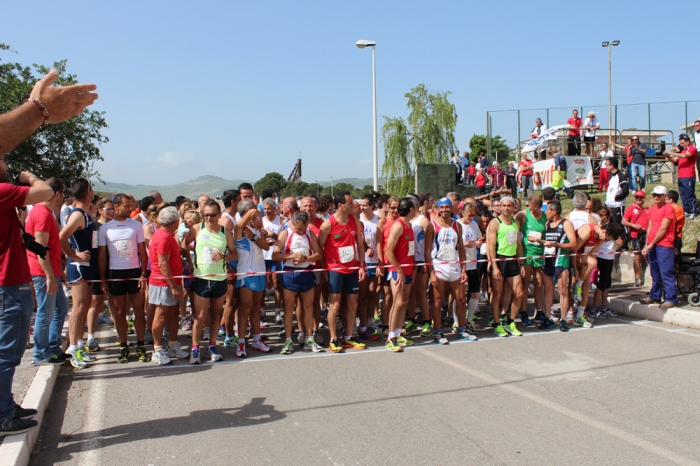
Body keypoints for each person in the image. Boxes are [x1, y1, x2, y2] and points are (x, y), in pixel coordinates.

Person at [181, 200, 237, 364]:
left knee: (215, 315)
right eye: (206, 215)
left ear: (219, 215)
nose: (209, 218)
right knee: (200, 316)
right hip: (202, 279)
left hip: (219, 279)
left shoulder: (225, 232)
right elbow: (184, 244)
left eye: (213, 215)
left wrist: (224, 256)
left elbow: (234, 254)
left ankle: (212, 346)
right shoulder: (198, 228)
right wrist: (190, 263)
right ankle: (195, 348)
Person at [97, 193, 150, 363]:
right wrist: (103, 279)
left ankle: (140, 345)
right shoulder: (105, 228)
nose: (131, 209)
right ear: (116, 207)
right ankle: (123, 346)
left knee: (139, 310)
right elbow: (101, 256)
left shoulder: (136, 225)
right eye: (127, 206)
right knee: (119, 312)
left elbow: (142, 250)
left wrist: (143, 273)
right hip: (115, 273)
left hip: (134, 272)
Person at [25, 177, 70, 366]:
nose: (64, 197)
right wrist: (50, 276)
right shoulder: (42, 215)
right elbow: (41, 249)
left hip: (51, 272)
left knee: (61, 307)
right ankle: (41, 353)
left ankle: (52, 346)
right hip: (43, 273)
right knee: (45, 313)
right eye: (63, 192)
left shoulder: (46, 212)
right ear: (57, 194)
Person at [318, 192, 367, 353]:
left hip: (352, 268)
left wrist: (361, 266)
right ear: (340, 205)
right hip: (335, 269)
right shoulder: (328, 224)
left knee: (353, 303)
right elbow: (320, 247)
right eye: (350, 203)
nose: (353, 206)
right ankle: (333, 338)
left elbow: (360, 245)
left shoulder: (356, 222)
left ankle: (348, 337)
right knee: (335, 304)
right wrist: (325, 269)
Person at [60, 178, 99, 369]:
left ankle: (80, 345)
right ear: (89, 193)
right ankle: (73, 348)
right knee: (78, 307)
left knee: (84, 307)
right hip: (78, 267)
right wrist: (74, 255)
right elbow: (61, 237)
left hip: (87, 266)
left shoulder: (86, 213)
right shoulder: (77, 215)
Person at [273, 211, 323, 354]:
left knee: (308, 306)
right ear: (293, 223)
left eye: (302, 228)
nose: (299, 230)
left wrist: (305, 259)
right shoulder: (286, 233)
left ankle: (309, 338)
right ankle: (288, 340)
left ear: (307, 224)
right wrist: (292, 256)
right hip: (290, 273)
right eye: (297, 227)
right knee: (289, 307)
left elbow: (318, 254)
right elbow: (275, 255)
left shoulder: (310, 234)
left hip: (307, 272)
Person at [147, 206, 187, 366]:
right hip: (163, 283)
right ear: (176, 221)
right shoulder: (163, 238)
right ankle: (157, 349)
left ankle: (171, 345)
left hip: (170, 282)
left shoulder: (166, 236)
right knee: (162, 315)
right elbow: (163, 264)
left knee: (173, 314)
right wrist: (173, 286)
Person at [428, 198, 471, 344]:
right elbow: (427, 250)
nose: (445, 209)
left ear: (451, 208)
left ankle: (462, 329)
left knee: (461, 299)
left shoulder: (456, 225)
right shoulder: (432, 225)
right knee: (438, 301)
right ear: (438, 209)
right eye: (442, 207)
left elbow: (461, 247)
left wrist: (464, 269)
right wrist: (431, 272)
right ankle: (438, 332)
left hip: (454, 265)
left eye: (447, 207)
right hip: (439, 265)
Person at [234, 200, 271, 357]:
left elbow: (267, 247)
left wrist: (255, 236)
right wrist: (253, 211)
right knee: (245, 309)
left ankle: (256, 339)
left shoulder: (255, 231)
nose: (257, 214)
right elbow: (238, 227)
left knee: (256, 308)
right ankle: (241, 343)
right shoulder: (239, 229)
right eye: (252, 212)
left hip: (260, 272)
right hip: (246, 274)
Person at [486, 196, 525, 337]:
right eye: (504, 205)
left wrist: (521, 263)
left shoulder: (515, 222)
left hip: (513, 260)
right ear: (500, 207)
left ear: (514, 207)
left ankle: (510, 321)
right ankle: (497, 324)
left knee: (519, 293)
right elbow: (490, 246)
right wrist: (495, 266)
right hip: (500, 260)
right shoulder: (495, 223)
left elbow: (519, 244)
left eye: (509, 205)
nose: (506, 208)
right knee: (497, 294)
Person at [383, 198, 418, 351]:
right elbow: (388, 251)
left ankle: (398, 332)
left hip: (409, 270)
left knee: (404, 302)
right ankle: (390, 337)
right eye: (414, 207)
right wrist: (398, 270)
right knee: (397, 303)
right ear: (411, 209)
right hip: (398, 271)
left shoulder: (410, 225)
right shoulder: (398, 226)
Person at [536, 200, 577, 331]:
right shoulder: (547, 224)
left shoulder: (566, 224)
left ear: (554, 211)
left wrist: (556, 245)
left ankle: (563, 319)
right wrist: (537, 240)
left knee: (563, 290)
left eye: (547, 210)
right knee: (548, 289)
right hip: (547, 260)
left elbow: (573, 244)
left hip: (561, 260)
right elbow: (546, 242)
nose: (545, 212)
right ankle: (548, 317)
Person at [640, 186, 677, 310]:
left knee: (666, 272)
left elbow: (663, 228)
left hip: (665, 245)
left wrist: (652, 243)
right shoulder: (652, 209)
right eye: (654, 194)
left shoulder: (669, 209)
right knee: (654, 272)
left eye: (659, 195)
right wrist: (647, 244)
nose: (656, 197)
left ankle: (671, 298)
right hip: (653, 245)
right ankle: (655, 296)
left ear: (665, 196)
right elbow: (650, 228)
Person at [515, 195, 547, 327]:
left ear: (540, 207)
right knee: (525, 283)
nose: (531, 211)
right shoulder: (523, 215)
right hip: (527, 253)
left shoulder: (546, 217)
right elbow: (514, 223)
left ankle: (539, 311)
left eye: (534, 209)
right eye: (530, 207)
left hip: (540, 254)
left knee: (539, 284)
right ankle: (523, 312)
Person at [664, 133, 698, 219]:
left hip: (689, 176)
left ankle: (694, 211)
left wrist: (671, 152)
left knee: (689, 194)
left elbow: (685, 156)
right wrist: (668, 156)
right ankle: (686, 210)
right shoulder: (683, 150)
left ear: (688, 142)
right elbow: (674, 160)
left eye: (682, 143)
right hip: (681, 176)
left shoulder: (692, 149)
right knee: (683, 194)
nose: (681, 145)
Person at [622, 190, 649, 287]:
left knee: (648, 255)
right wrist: (633, 225)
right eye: (636, 197)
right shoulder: (631, 208)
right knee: (637, 256)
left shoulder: (647, 208)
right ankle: (637, 278)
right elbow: (624, 221)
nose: (638, 199)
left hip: (646, 234)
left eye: (640, 197)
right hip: (635, 235)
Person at [604, 157, 629, 224]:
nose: (605, 166)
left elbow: (625, 191)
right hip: (609, 206)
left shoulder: (621, 176)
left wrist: (616, 198)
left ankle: (624, 235)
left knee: (619, 226)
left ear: (612, 166)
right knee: (610, 226)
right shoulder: (612, 177)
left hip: (617, 206)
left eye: (607, 164)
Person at [666, 190, 685, 256]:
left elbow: (672, 222)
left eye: (666, 199)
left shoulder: (678, 209)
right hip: (669, 236)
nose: (664, 201)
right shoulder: (668, 209)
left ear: (671, 200)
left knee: (676, 258)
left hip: (676, 236)